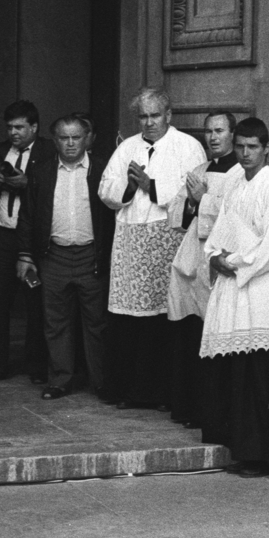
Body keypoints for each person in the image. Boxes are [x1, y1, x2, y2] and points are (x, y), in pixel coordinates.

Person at [198, 117, 269, 475]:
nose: (244, 153)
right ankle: (239, 446)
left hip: (261, 288)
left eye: (252, 147)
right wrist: (216, 257)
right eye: (239, 146)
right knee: (235, 369)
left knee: (259, 372)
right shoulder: (234, 182)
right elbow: (219, 231)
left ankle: (262, 455)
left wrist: (236, 262)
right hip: (232, 286)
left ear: (266, 148)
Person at [99, 88, 206, 408]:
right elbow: (105, 188)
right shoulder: (127, 148)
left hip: (167, 238)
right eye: (143, 116)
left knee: (164, 316)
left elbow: (194, 191)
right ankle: (130, 391)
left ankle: (161, 393)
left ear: (168, 115)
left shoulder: (188, 146)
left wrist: (151, 185)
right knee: (130, 319)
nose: (148, 122)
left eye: (155, 115)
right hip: (131, 239)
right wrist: (130, 186)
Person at [13, 113, 112, 400]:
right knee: (56, 322)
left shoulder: (102, 170)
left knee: (97, 323)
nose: (70, 143)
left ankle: (101, 382)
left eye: (76, 137)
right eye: (64, 138)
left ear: (86, 139)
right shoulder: (42, 171)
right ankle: (60, 380)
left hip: (91, 256)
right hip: (53, 256)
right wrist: (25, 255)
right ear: (54, 141)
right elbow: (27, 215)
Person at [164, 112, 239, 428]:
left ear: (232, 134)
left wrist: (202, 199)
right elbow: (177, 215)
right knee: (190, 333)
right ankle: (189, 407)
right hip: (192, 257)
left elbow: (236, 218)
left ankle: (211, 410)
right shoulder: (198, 170)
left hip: (221, 257)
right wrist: (193, 204)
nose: (213, 137)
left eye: (219, 130)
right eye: (208, 131)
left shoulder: (241, 173)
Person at [0, 100, 55, 384]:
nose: (13, 133)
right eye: (9, 127)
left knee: (36, 303)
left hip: (33, 238)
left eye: (19, 127)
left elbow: (55, 188)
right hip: (2, 236)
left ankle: (36, 367)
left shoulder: (48, 151)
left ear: (34, 127)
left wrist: (27, 184)